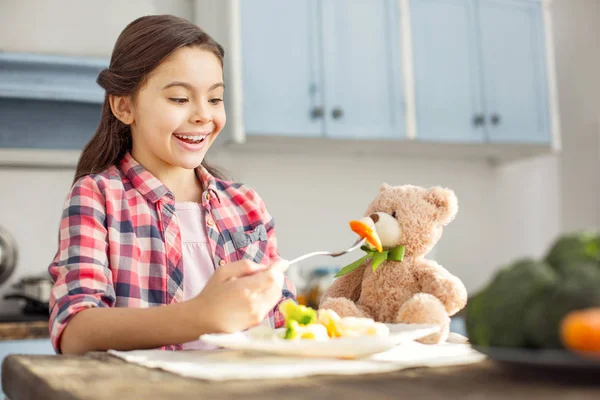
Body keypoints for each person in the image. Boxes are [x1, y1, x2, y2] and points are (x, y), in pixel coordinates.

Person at [48, 14, 295, 355]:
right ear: (124, 106)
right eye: (180, 99)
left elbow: (286, 322)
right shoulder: (99, 197)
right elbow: (76, 332)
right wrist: (201, 315)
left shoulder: (245, 204)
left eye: (214, 99)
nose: (203, 115)